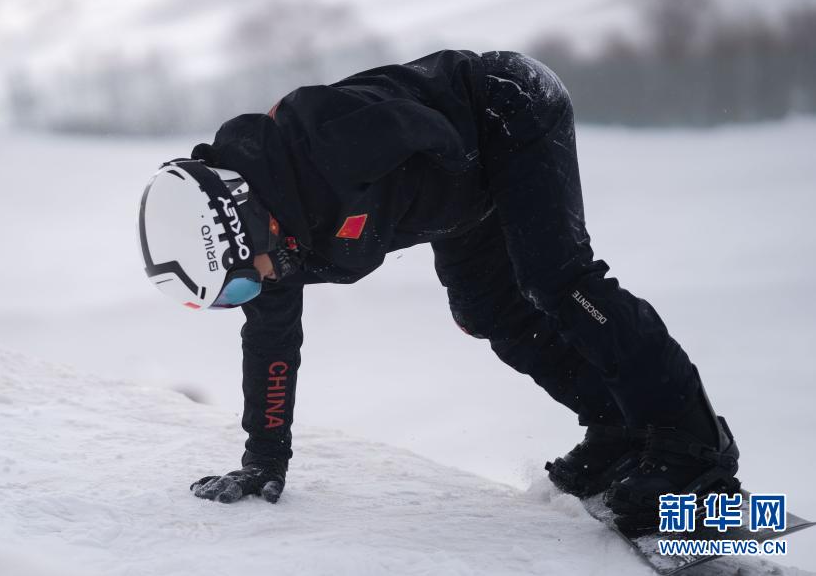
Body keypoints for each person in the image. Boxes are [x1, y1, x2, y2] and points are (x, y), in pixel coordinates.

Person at [137, 50, 740, 531]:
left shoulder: (326, 141)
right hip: (461, 202)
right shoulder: (274, 246)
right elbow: (272, 342)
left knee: (557, 278)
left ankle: (694, 447)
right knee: (485, 312)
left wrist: (488, 191)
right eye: (236, 293)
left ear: (241, 216)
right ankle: (617, 426)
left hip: (507, 112)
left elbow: (422, 124)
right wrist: (264, 460)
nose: (257, 286)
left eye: (244, 276)